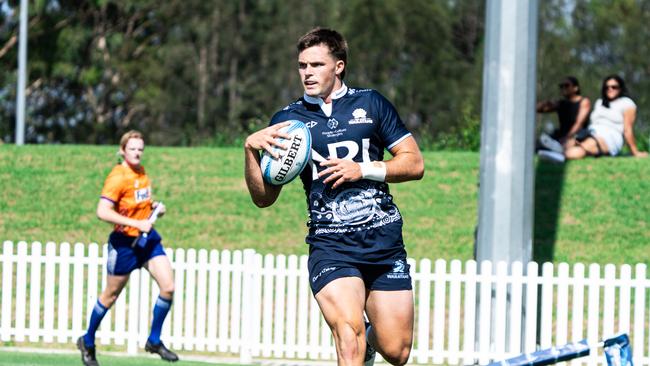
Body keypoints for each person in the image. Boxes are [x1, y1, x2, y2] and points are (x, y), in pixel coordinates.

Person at [244, 28, 424, 366]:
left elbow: (414, 163)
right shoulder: (287, 121)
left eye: (316, 64)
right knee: (348, 335)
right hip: (331, 246)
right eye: (302, 66)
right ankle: (360, 342)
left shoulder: (371, 103)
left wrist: (363, 169)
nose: (307, 73)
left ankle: (374, 340)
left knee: (397, 350)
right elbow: (263, 198)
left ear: (338, 66)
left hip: (383, 242)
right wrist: (250, 153)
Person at [77, 130, 179, 366]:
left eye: (140, 149)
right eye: (132, 149)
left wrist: (153, 208)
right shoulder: (117, 177)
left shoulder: (141, 172)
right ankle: (88, 340)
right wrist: (136, 223)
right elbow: (102, 212)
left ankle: (154, 340)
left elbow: (136, 202)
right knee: (110, 295)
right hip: (124, 244)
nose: (137, 153)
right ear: (122, 150)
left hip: (147, 240)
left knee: (168, 287)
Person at [564, 75, 648, 160]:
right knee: (568, 143)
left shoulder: (627, 103)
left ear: (620, 88)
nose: (610, 89)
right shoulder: (599, 102)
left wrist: (635, 152)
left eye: (614, 87)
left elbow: (627, 129)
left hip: (610, 137)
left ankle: (563, 156)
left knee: (583, 147)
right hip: (589, 132)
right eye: (607, 87)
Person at [536, 76, 591, 152]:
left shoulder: (584, 102)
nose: (563, 88)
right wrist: (546, 103)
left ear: (576, 88)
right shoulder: (561, 103)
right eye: (561, 86)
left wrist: (567, 138)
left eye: (567, 85)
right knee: (538, 145)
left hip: (578, 136)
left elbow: (579, 123)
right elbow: (539, 108)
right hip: (561, 136)